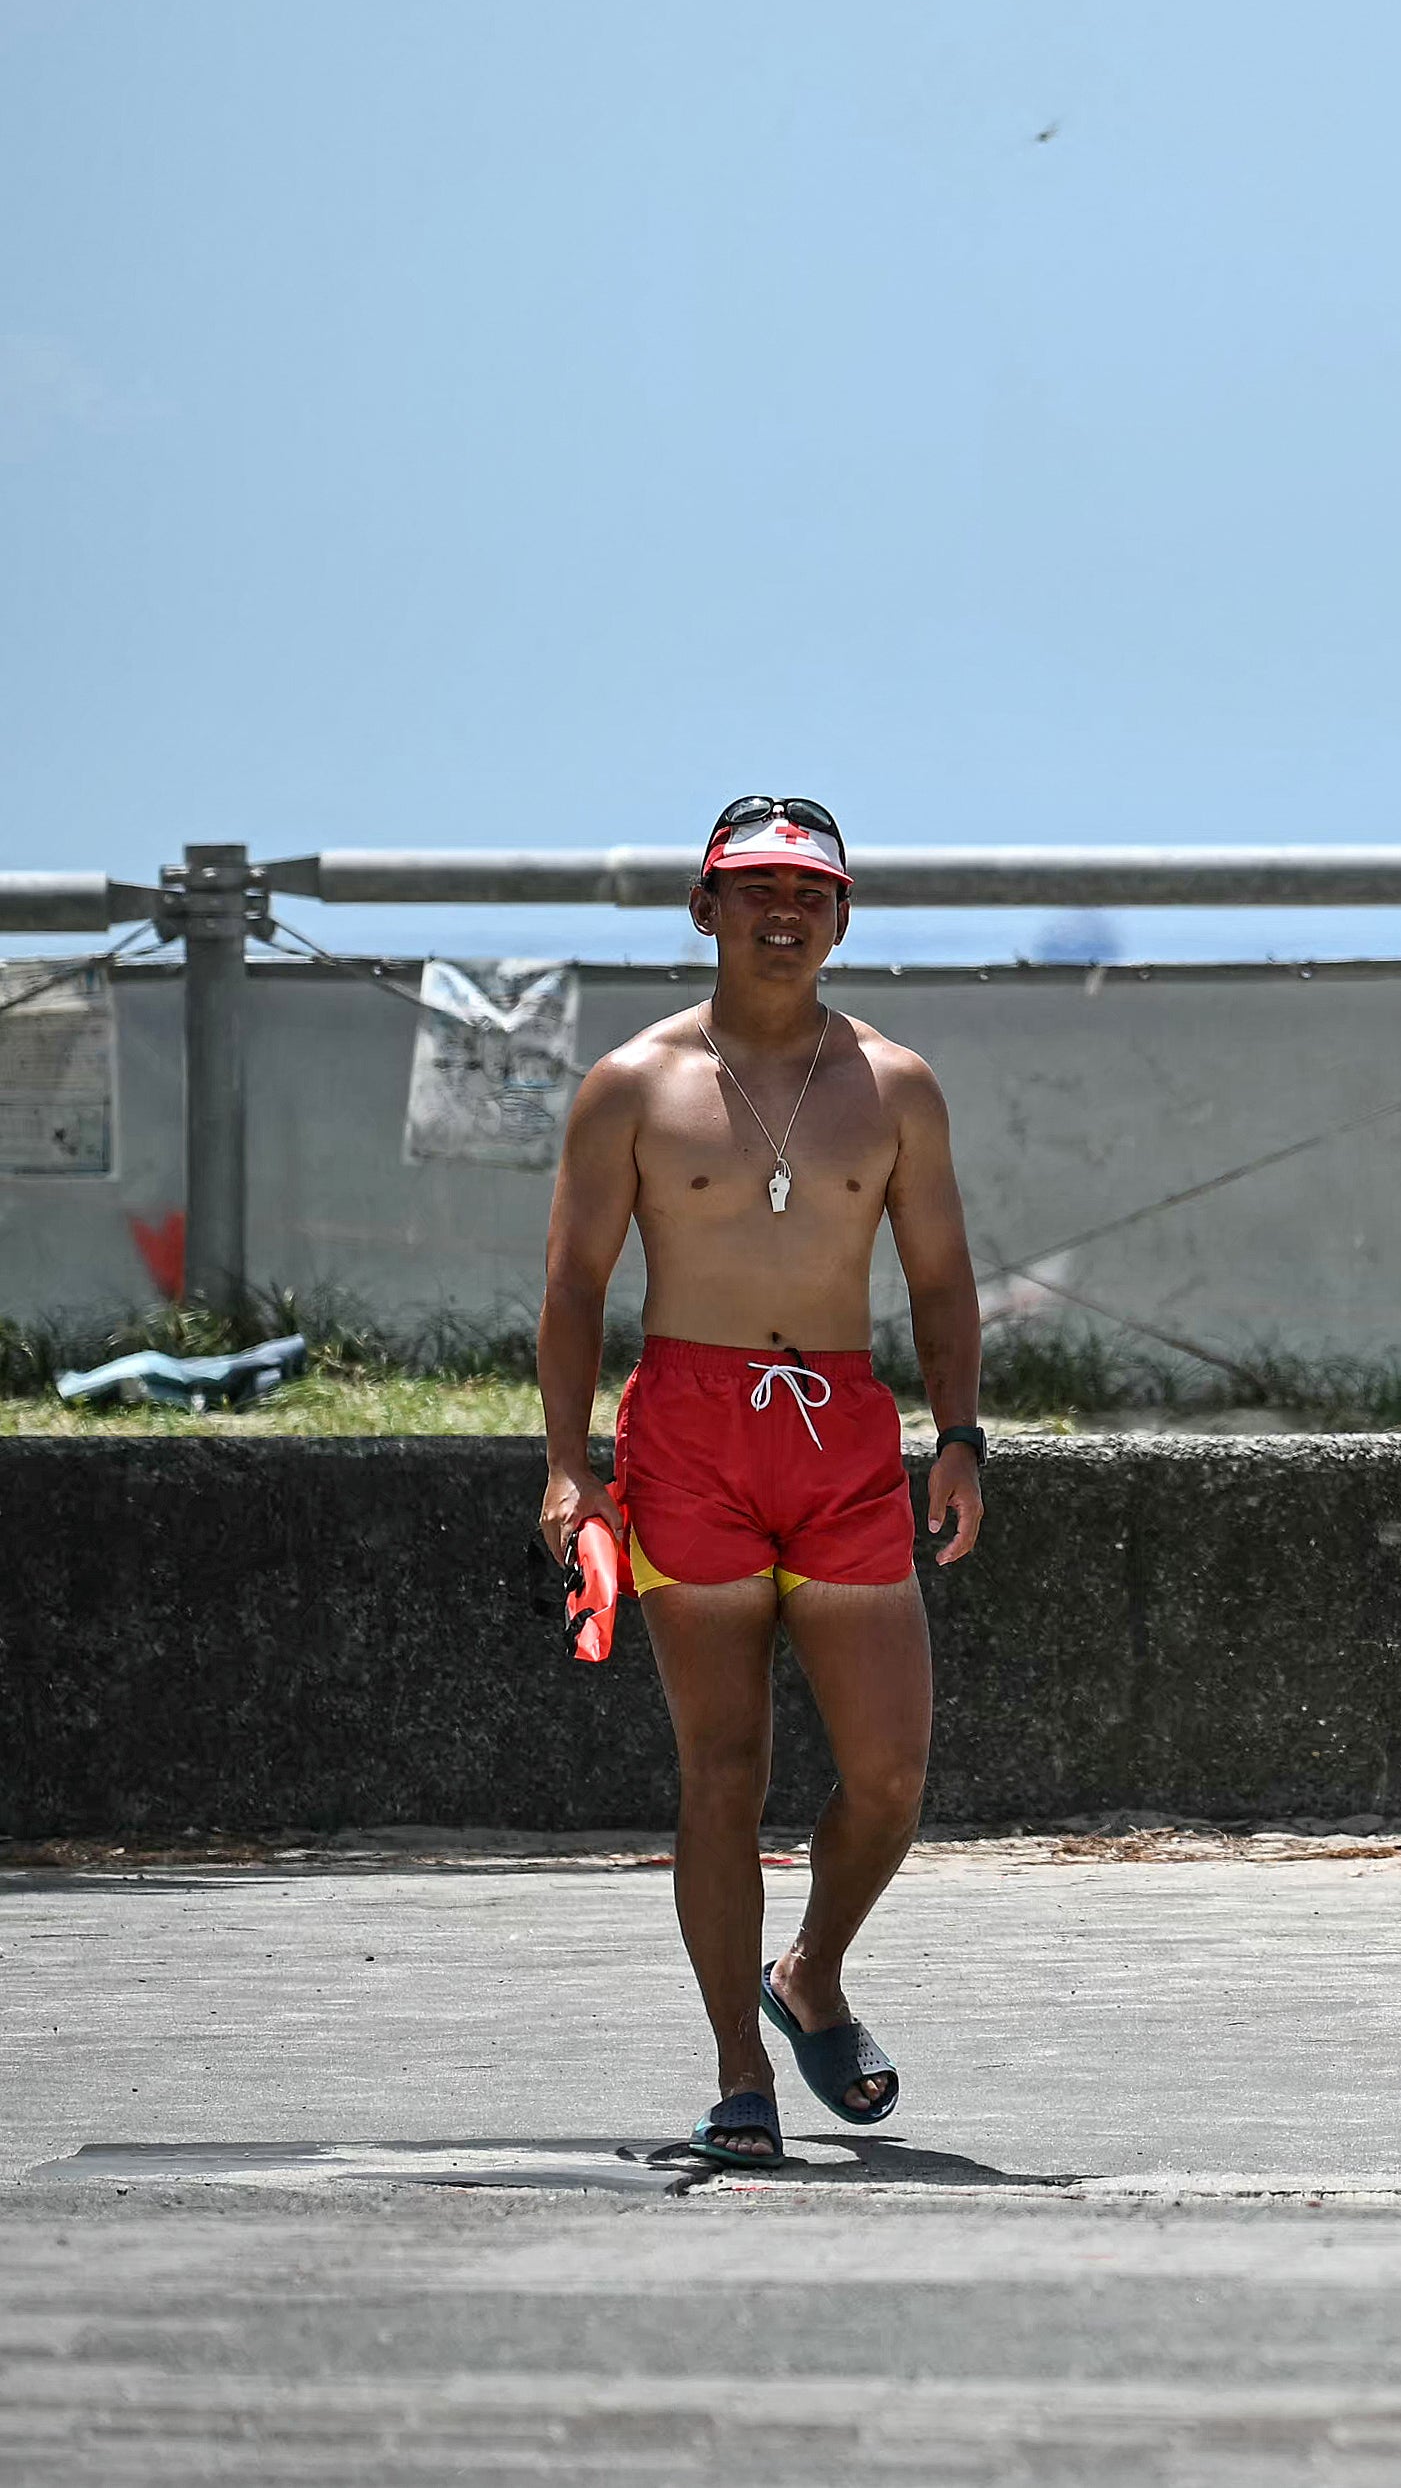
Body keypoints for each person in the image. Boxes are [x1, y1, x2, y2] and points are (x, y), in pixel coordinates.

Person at [534, 795, 987, 2169]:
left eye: (810, 891)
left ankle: (811, 1978)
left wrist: (961, 1434)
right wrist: (567, 1469)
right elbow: (571, 1284)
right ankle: (741, 2069)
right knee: (723, 1767)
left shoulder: (896, 1084)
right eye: (755, 889)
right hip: (691, 1433)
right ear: (706, 907)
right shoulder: (633, 1081)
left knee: (891, 1773)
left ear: (842, 916)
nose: (782, 913)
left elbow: (943, 1279)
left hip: (841, 1433)